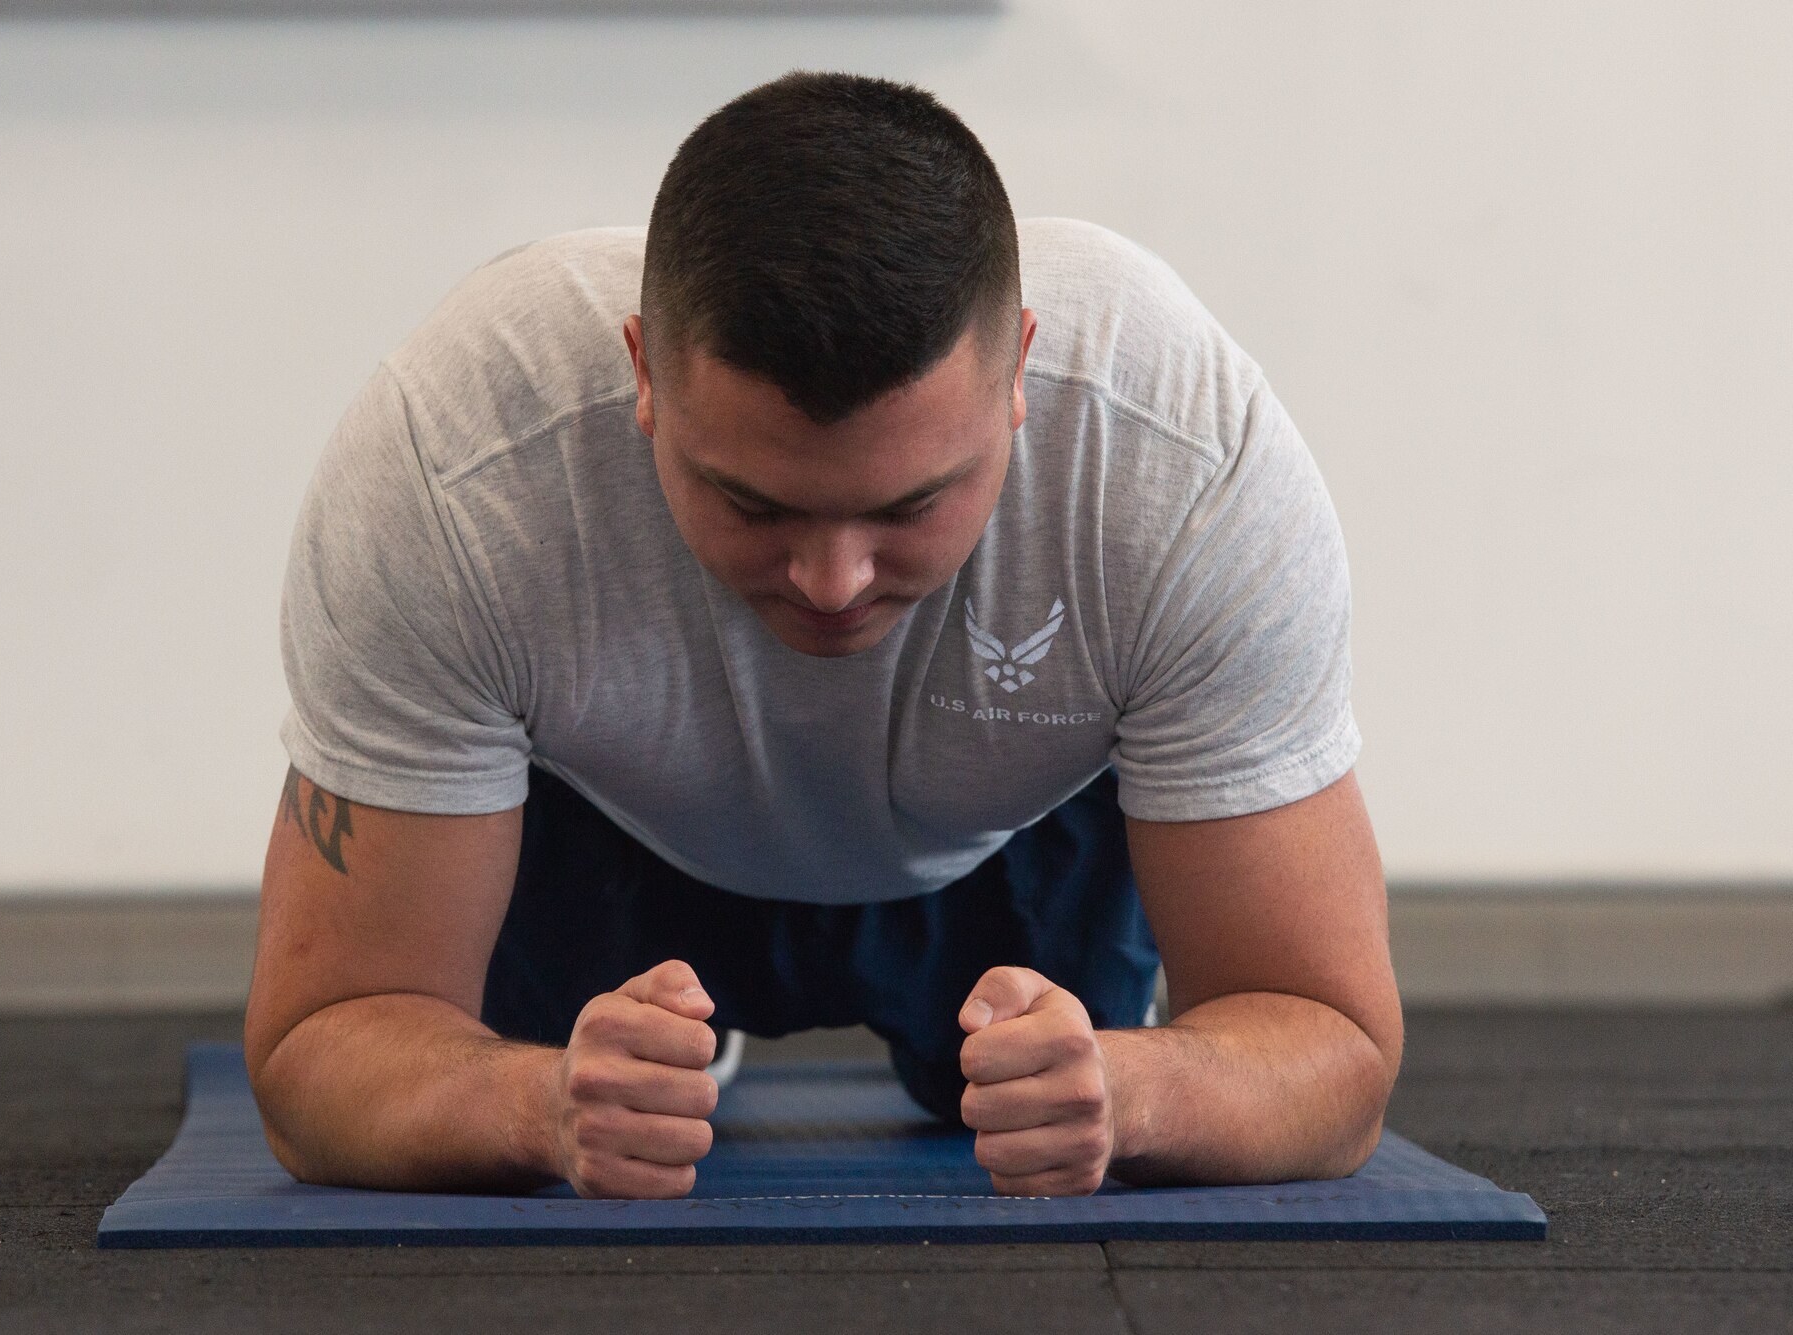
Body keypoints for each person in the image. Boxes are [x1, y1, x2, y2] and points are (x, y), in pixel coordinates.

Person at [243, 70, 1402, 1201]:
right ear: (642, 372)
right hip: (607, 842)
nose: (832, 583)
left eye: (908, 507)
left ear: (1019, 377)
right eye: (753, 503)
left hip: (1004, 848)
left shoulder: (1176, 460)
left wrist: (1130, 1088)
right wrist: (533, 1107)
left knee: (1039, 1106)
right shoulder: (455, 469)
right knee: (565, 1108)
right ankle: (645, 1059)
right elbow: (322, 1047)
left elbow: (1330, 1047)